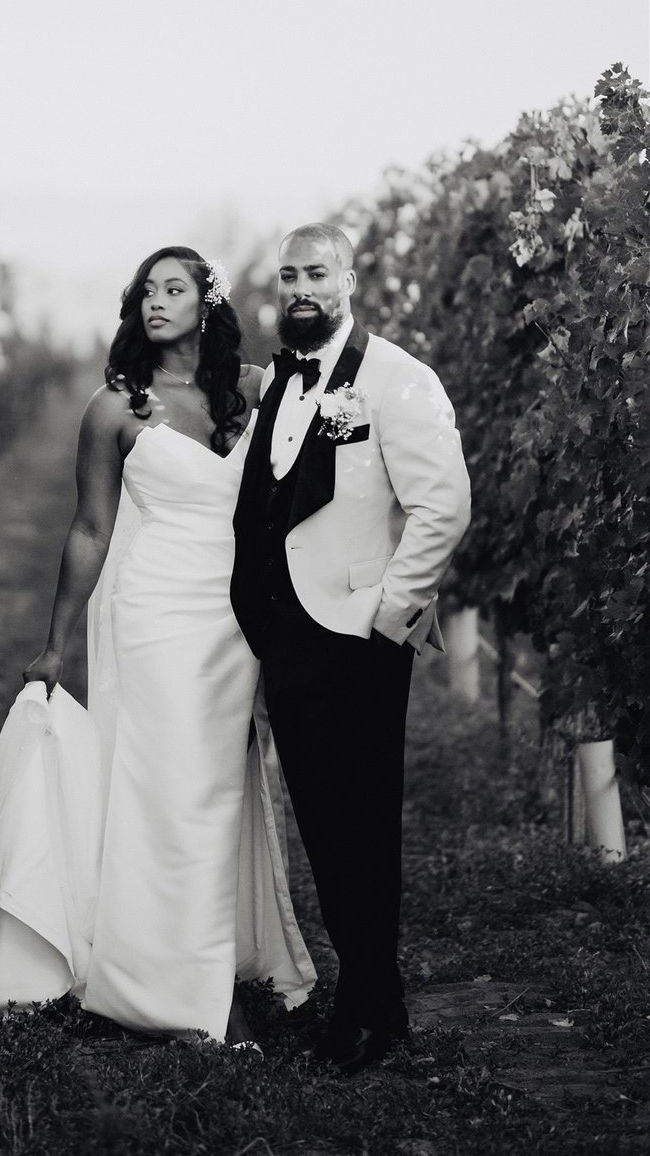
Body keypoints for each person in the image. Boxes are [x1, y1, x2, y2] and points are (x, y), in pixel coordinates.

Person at [0, 247, 315, 1045]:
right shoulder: (115, 408)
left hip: (238, 623)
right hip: (157, 613)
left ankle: (191, 961)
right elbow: (92, 529)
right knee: (175, 790)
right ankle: (198, 1001)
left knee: (222, 789)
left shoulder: (259, 391)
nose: (157, 303)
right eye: (146, 292)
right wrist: (55, 644)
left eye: (175, 289)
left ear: (209, 303)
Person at [231, 223, 471, 1074]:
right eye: (290, 274)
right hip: (289, 633)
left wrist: (388, 616)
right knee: (324, 824)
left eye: (318, 273)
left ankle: (373, 1007)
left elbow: (444, 507)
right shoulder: (283, 385)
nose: (302, 287)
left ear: (350, 279)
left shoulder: (400, 382)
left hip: (361, 639)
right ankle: (368, 993)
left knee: (362, 823)